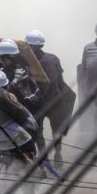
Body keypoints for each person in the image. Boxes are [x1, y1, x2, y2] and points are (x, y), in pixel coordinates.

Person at [26, 29, 75, 164]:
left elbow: (53, 82)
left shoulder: (32, 61)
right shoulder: (51, 59)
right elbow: (59, 80)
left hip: (45, 101)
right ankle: (54, 156)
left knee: (42, 131)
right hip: (52, 101)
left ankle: (48, 157)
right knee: (52, 130)